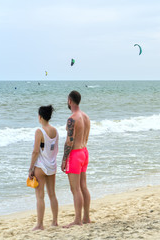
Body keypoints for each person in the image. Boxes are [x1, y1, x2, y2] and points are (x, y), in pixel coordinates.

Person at [61, 90, 91, 227]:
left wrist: (64, 159)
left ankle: (78, 220)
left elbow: (69, 142)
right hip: (84, 152)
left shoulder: (72, 119)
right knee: (83, 186)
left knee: (75, 189)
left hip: (75, 154)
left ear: (70, 101)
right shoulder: (85, 117)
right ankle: (86, 217)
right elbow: (86, 137)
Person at [28, 105, 59, 231]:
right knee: (52, 194)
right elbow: (54, 149)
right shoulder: (55, 131)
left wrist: (30, 168)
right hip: (52, 165)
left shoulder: (39, 131)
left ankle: (40, 224)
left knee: (40, 196)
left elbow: (36, 151)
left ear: (40, 116)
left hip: (40, 166)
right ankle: (55, 221)